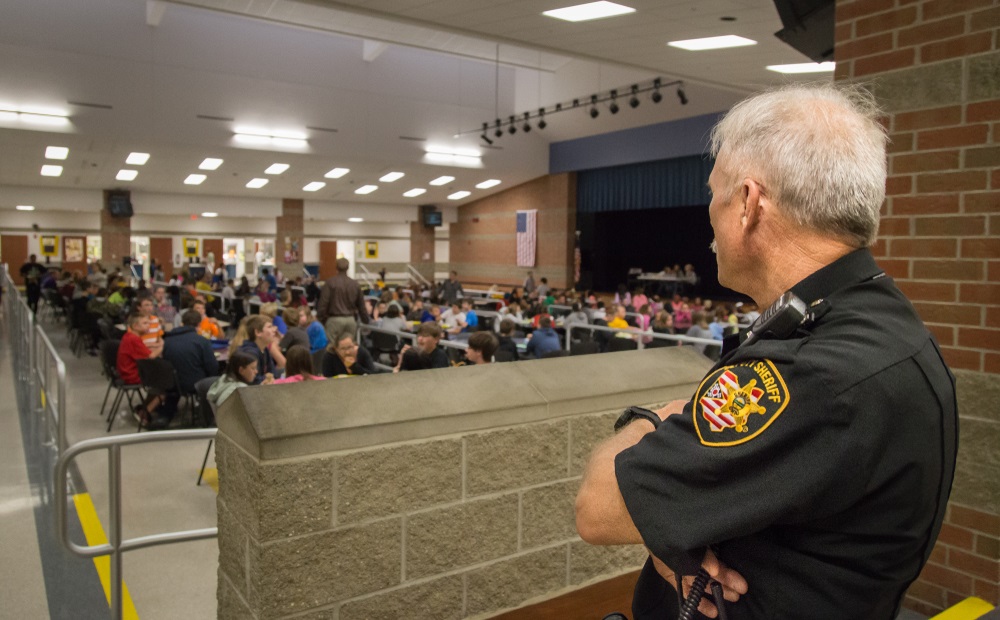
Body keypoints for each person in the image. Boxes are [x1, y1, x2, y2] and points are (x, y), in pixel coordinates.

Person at [575, 84, 957, 620]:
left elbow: (598, 505)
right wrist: (674, 526)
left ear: (750, 204)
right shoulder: (877, 321)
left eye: (715, 193)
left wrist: (653, 421)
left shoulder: (815, 371)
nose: (708, 213)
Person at [116, 312, 167, 427]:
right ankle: (145, 412)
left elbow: (142, 350)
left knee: (159, 379)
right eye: (145, 323)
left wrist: (154, 346)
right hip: (132, 375)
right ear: (135, 326)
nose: (148, 326)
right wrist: (163, 347)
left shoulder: (129, 337)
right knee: (166, 385)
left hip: (125, 372)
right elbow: (151, 357)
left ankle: (145, 406)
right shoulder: (134, 340)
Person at [162, 309, 220, 403]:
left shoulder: (167, 340)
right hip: (195, 383)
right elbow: (212, 367)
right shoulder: (201, 341)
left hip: (171, 383)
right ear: (199, 324)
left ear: (182, 322)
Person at [316, 257, 369, 345]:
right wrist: (365, 320)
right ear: (348, 268)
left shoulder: (330, 283)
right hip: (350, 320)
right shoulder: (355, 284)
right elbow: (361, 306)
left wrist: (321, 320)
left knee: (331, 349)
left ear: (336, 267)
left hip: (334, 320)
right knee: (349, 349)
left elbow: (323, 304)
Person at [238, 315, 286, 384]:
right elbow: (253, 380)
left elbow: (273, 373)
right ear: (258, 332)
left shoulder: (265, 349)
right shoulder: (250, 353)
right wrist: (268, 378)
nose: (274, 330)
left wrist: (270, 378)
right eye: (269, 327)